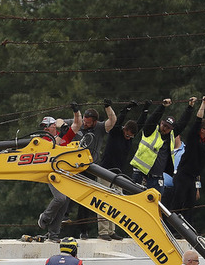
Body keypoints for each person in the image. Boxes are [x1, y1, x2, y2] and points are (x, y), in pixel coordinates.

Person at [69, 101, 117, 239]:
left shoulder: (100, 128)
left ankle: (83, 230)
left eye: (88, 122)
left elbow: (112, 120)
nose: (85, 123)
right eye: (84, 120)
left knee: (86, 200)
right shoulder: (80, 124)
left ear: (95, 122)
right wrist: (75, 111)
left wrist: (108, 108)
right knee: (69, 196)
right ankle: (65, 217)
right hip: (76, 166)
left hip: (91, 168)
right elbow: (61, 121)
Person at [37, 104, 82, 242]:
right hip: (52, 172)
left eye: (47, 125)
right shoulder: (43, 139)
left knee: (65, 202)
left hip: (65, 173)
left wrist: (76, 111)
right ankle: (44, 217)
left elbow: (77, 124)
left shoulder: (64, 135)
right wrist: (62, 133)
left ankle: (53, 233)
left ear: (53, 126)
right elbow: (52, 147)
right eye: (43, 126)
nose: (44, 128)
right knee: (60, 198)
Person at [130, 97, 194, 195]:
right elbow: (152, 119)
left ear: (171, 129)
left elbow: (183, 123)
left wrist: (190, 107)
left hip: (156, 178)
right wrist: (162, 107)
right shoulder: (150, 130)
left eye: (168, 128)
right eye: (164, 125)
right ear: (161, 122)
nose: (165, 129)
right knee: (133, 198)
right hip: (141, 173)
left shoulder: (172, 135)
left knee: (154, 204)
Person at [97, 103, 141, 240]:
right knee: (104, 201)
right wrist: (126, 109)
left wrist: (145, 109)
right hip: (105, 171)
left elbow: (142, 123)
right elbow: (118, 121)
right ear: (125, 129)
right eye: (128, 135)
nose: (130, 138)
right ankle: (103, 231)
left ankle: (111, 230)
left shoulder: (129, 138)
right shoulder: (116, 132)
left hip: (118, 174)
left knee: (116, 203)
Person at [170, 97, 205, 222]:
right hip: (183, 175)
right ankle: (172, 228)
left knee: (190, 204)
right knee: (178, 203)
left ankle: (187, 229)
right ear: (202, 130)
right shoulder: (193, 138)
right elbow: (198, 120)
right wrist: (203, 103)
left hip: (193, 177)